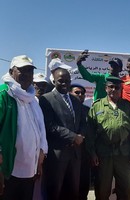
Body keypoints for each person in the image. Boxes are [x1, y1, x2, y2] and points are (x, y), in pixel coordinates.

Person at [0, 55, 48, 200]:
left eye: (30, 71)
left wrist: (41, 154)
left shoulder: (31, 99)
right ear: (11, 71)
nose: (27, 75)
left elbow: (40, 130)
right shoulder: (4, 94)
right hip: (8, 168)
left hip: (29, 170)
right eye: (22, 70)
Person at [86, 76, 130, 200]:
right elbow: (90, 133)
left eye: (117, 87)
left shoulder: (127, 106)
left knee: (126, 189)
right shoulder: (97, 106)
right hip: (104, 155)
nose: (114, 89)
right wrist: (92, 153)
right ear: (106, 88)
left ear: (121, 89)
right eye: (111, 87)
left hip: (124, 155)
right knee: (102, 189)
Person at [39, 68, 86, 200]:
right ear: (54, 81)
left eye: (67, 81)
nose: (65, 83)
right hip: (57, 156)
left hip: (75, 155)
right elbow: (49, 125)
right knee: (54, 192)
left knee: (72, 193)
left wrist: (81, 134)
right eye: (61, 81)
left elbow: (83, 122)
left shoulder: (75, 100)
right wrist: (73, 136)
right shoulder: (46, 99)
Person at [69, 84, 90, 200]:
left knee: (83, 184)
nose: (80, 95)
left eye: (82, 93)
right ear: (70, 93)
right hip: (69, 153)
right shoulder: (66, 109)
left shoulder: (88, 110)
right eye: (77, 92)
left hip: (84, 154)